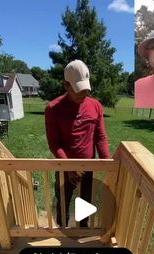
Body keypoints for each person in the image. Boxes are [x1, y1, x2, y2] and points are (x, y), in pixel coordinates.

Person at [45, 59, 110, 227]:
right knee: (62, 201)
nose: (84, 95)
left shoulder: (95, 106)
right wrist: (68, 167)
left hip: (88, 167)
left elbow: (100, 137)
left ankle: (83, 230)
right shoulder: (53, 109)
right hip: (64, 168)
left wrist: (107, 163)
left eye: (86, 90)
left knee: (85, 203)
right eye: (78, 90)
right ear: (66, 85)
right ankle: (63, 229)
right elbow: (54, 143)